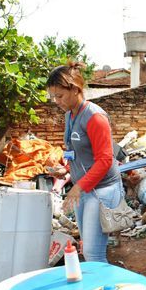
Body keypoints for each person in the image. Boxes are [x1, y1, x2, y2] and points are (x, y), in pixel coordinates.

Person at [46, 61, 123, 263]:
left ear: (75, 89)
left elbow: (105, 160)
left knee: (93, 253)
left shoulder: (95, 117)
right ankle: (98, 289)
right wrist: (65, 170)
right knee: (86, 250)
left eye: (60, 96)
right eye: (53, 96)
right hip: (85, 188)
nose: (56, 101)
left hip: (102, 189)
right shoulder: (70, 116)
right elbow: (76, 152)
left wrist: (78, 187)